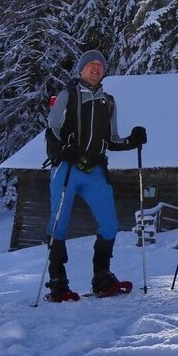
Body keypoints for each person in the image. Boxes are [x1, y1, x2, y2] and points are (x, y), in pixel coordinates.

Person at [44, 49, 147, 301]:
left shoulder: (108, 102)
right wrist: (61, 150)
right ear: (80, 70)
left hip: (95, 170)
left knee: (110, 225)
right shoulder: (68, 95)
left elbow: (112, 140)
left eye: (99, 65)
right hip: (67, 168)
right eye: (90, 64)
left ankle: (102, 275)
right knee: (59, 225)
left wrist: (132, 141)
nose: (95, 67)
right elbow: (52, 128)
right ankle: (58, 280)